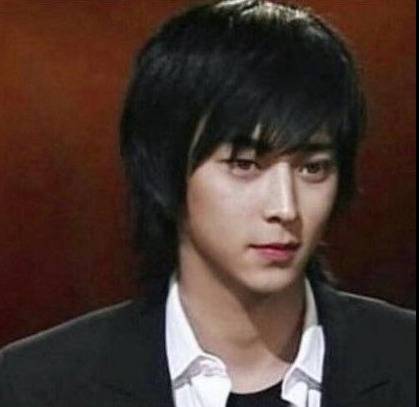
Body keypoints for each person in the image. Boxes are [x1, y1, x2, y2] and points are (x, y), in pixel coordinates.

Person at [0, 1, 415, 406]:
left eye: (313, 168)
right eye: (244, 164)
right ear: (165, 168)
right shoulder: (37, 386)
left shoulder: (403, 361)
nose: (285, 208)